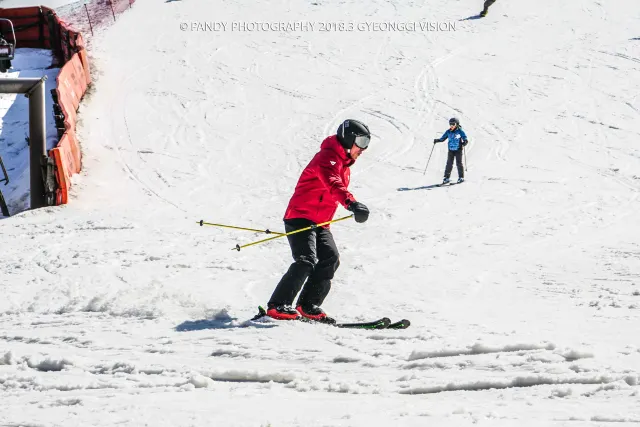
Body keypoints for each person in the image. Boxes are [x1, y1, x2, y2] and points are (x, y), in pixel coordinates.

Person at [266, 119, 371, 322]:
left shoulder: (343, 165)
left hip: (320, 223)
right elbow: (333, 184)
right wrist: (351, 204)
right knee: (306, 260)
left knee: (330, 259)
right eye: (362, 141)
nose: (364, 148)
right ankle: (277, 305)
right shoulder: (327, 158)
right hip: (300, 217)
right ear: (349, 139)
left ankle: (307, 305)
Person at [433, 117, 468, 184]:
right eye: (450, 124)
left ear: (457, 124)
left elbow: (465, 138)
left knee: (459, 163)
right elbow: (443, 139)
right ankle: (446, 178)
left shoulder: (460, 131)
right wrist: (437, 140)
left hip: (458, 149)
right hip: (451, 150)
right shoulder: (448, 132)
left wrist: (465, 142)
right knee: (449, 164)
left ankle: (461, 177)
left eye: (453, 124)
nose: (451, 126)